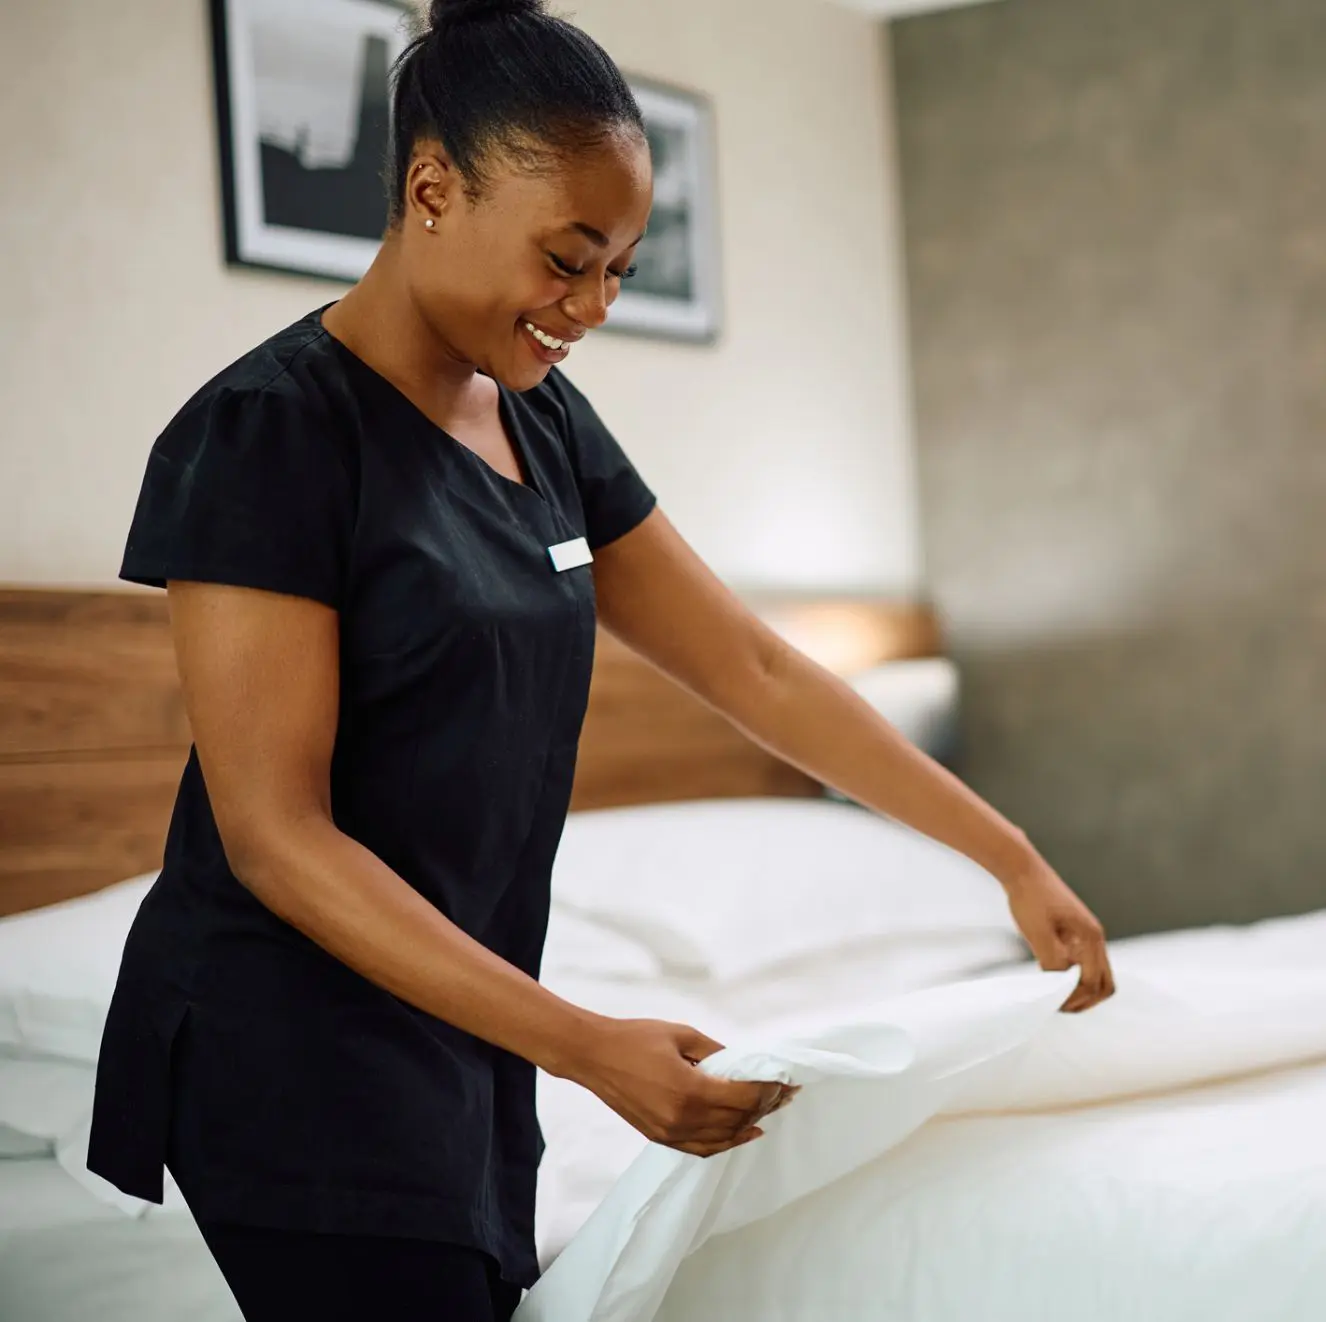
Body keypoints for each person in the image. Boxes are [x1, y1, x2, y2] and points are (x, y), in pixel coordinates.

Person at [87, 0, 1114, 1318]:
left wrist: (1005, 855)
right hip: (287, 1040)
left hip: (467, 1021)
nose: (589, 308)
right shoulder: (271, 434)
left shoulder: (543, 420)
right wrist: (583, 1044)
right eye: (566, 259)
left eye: (618, 269)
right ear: (429, 188)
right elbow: (276, 837)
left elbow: (753, 667)